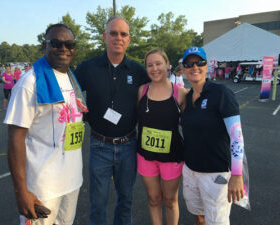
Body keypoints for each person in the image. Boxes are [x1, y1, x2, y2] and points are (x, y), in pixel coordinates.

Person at [4, 24, 86, 225]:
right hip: (42, 188)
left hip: (72, 181)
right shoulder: (29, 83)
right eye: (56, 43)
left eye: (69, 44)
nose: (63, 48)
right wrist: (21, 191)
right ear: (45, 45)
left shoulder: (71, 78)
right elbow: (15, 138)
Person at [74, 16, 149, 225]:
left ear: (129, 39)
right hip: (99, 146)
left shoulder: (138, 71)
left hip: (128, 145)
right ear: (104, 37)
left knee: (126, 201)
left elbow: (159, 92)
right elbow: (70, 93)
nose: (118, 37)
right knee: (98, 203)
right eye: (113, 33)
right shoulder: (88, 68)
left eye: (123, 34)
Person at [180, 47, 245, 225]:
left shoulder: (221, 93)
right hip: (190, 170)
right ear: (184, 68)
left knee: (217, 222)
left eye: (199, 63)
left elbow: (237, 136)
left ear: (207, 66)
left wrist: (237, 175)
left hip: (216, 174)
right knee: (198, 215)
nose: (195, 67)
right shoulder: (187, 97)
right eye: (189, 64)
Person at [137, 49, 187, 225]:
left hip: (172, 157)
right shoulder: (141, 91)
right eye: (150, 65)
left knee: (170, 200)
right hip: (145, 156)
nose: (154, 68)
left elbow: (194, 124)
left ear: (167, 65)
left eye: (158, 63)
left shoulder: (180, 93)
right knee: (153, 199)